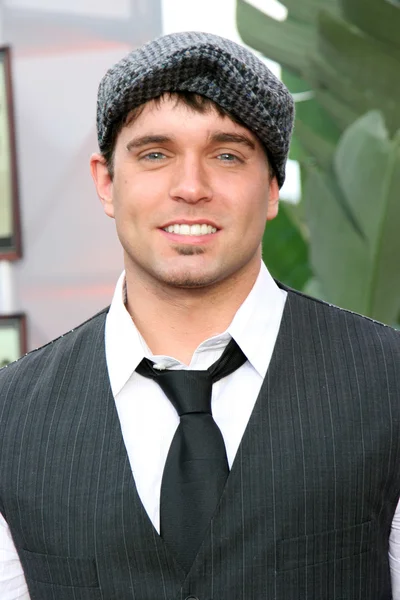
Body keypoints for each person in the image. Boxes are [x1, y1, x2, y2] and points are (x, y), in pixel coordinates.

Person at [0, 31, 400, 600]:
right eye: (155, 154)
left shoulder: (388, 381)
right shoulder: (10, 416)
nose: (191, 187)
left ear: (272, 187)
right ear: (107, 182)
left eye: (227, 155)